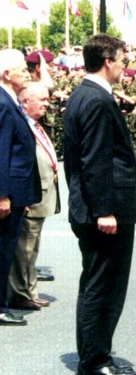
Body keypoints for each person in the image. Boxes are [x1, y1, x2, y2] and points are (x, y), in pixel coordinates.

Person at [64, 34, 136, 375]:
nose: (125, 66)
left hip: (95, 208)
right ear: (107, 61)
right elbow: (95, 161)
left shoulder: (86, 95)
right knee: (104, 286)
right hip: (104, 212)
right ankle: (94, 361)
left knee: (97, 283)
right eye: (122, 60)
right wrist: (104, 211)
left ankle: (96, 353)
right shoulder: (96, 100)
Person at [7, 81, 58, 313]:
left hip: (42, 195)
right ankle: (20, 293)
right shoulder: (22, 126)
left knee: (32, 248)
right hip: (30, 198)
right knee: (24, 250)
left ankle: (29, 290)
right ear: (25, 101)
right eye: (42, 100)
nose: (47, 104)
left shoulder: (36, 125)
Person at [0, 51, 39, 327]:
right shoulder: (3, 103)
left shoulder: (8, 100)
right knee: (2, 250)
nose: (27, 73)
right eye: (22, 70)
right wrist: (2, 194)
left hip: (15, 191)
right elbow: (1, 152)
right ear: (6, 75)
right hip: (7, 193)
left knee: (6, 249)